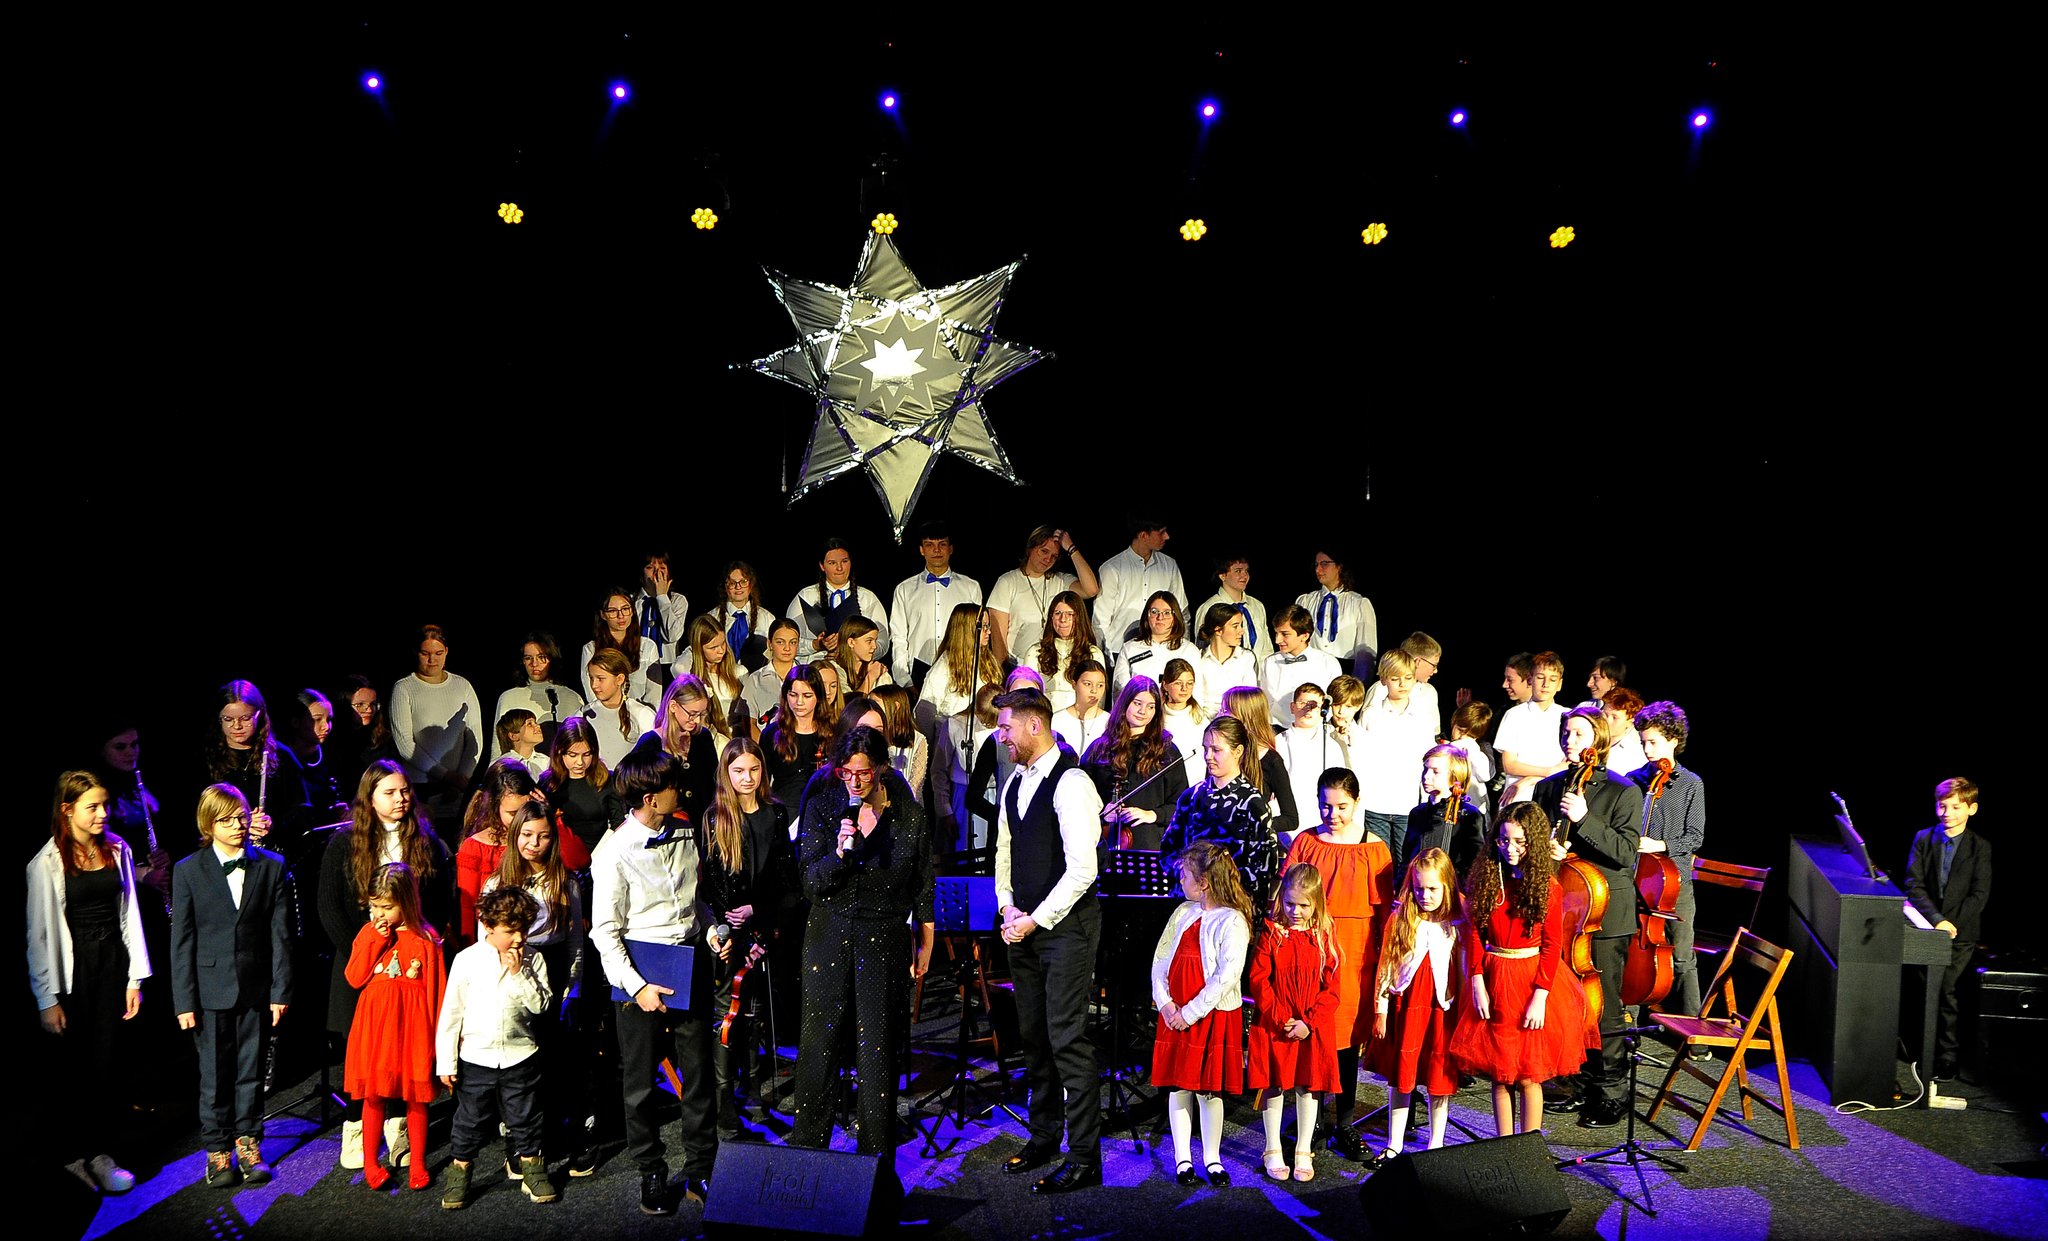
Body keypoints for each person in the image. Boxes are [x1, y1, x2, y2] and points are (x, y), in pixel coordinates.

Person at [790, 727, 936, 1154]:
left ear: (882, 769)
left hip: (884, 937)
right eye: (846, 773)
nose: (854, 782)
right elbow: (811, 883)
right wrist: (838, 854)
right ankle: (807, 1158)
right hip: (830, 933)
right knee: (819, 1048)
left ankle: (875, 1164)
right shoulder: (823, 808)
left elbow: (923, 883)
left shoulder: (909, 817)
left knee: (877, 1052)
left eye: (864, 773)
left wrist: (926, 940)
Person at [590, 748, 721, 1214]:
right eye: (671, 786)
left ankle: (702, 1168)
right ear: (649, 798)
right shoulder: (614, 851)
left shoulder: (684, 830)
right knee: (640, 1082)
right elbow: (604, 932)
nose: (679, 791)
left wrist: (711, 930)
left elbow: (694, 899)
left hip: (687, 960)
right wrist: (638, 986)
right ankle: (651, 1170)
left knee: (699, 1074)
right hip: (640, 969)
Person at [992, 688, 1106, 1193]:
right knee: (1034, 1037)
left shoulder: (1072, 782)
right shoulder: (1015, 780)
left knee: (1067, 1039)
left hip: (1066, 931)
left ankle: (1084, 1157)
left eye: (1006, 727)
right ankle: (1044, 1136)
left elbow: (1083, 870)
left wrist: (1034, 919)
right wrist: (1006, 907)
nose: (1000, 736)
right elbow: (1004, 852)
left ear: (1034, 725)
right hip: (1023, 927)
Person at [317, 761, 455, 1171]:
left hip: (410, 962)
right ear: (370, 798)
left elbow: (440, 900)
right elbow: (329, 907)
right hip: (362, 959)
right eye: (390, 793)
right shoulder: (345, 843)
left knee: (403, 1047)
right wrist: (366, 951)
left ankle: (398, 1128)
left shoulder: (426, 841)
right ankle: (356, 1126)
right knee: (362, 1050)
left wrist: (419, 939)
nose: (400, 799)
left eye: (404, 791)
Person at [29, 771, 151, 1195]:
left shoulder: (117, 848)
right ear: (68, 810)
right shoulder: (46, 863)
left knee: (107, 1062)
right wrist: (46, 999)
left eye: (105, 805)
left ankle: (100, 1154)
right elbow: (38, 936)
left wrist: (134, 978)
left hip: (112, 962)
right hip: (73, 970)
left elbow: (129, 914)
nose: (103, 814)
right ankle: (75, 1157)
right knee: (75, 1069)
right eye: (92, 807)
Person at [171, 783, 292, 1189]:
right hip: (209, 990)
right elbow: (182, 940)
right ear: (208, 826)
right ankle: (217, 1148)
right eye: (226, 821)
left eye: (241, 817)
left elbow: (280, 936)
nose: (238, 825)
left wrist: (280, 991)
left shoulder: (271, 866)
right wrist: (184, 1001)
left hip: (255, 986)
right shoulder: (189, 870)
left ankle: (248, 1142)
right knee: (214, 1074)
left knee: (251, 1070)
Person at [1450, 803, 1592, 1137]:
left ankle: (1529, 1145)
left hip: (1530, 982)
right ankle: (1504, 1144)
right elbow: (1475, 935)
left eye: (1519, 842)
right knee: (1500, 1074)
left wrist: (1540, 997)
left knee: (1529, 1075)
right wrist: (1476, 982)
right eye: (1503, 840)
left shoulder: (1547, 887)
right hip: (1494, 976)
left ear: (1534, 843)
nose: (1510, 848)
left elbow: (1552, 946)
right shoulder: (1487, 880)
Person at [1535, 707, 1643, 1129]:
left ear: (1597, 739)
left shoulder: (1622, 791)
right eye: (1566, 732)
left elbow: (1625, 853)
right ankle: (1577, 1081)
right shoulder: (1548, 787)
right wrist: (1546, 848)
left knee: (1606, 1006)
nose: (1570, 739)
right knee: (1568, 1003)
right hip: (1562, 910)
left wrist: (1584, 819)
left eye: (1578, 733)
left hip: (1604, 913)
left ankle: (1612, 1091)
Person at [1283, 768, 1395, 1160]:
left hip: (1355, 955)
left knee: (1346, 1043)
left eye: (1342, 806)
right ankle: (1309, 1121)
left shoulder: (1374, 849)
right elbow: (1287, 899)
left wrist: (1384, 966)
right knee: (1311, 1034)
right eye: (1326, 806)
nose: (1333, 814)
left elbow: (1385, 916)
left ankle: (1344, 1124)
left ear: (1357, 803)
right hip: (1310, 951)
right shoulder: (1306, 842)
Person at [435, 885, 556, 1208]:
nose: (518, 938)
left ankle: (532, 1170)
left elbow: (541, 1006)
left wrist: (519, 974)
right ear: (488, 926)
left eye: (523, 930)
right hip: (477, 1058)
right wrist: (446, 1062)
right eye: (510, 931)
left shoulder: (533, 959)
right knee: (469, 1119)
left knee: (526, 1117)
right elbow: (451, 1013)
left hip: (520, 1055)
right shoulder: (467, 960)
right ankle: (460, 1173)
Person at [700, 738, 797, 1141]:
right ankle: (725, 1101)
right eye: (738, 771)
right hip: (727, 934)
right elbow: (709, 883)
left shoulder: (776, 813)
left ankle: (755, 1089)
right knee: (727, 1018)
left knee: (755, 1015)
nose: (747, 778)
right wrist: (727, 924)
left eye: (754, 769)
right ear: (726, 773)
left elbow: (787, 880)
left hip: (762, 926)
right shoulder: (714, 818)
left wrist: (759, 913)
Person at [1151, 842, 1254, 1188]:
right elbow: (1161, 958)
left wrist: (1191, 1012)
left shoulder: (1232, 920)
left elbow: (1227, 975)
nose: (1180, 880)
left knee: (1209, 1090)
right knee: (1179, 1086)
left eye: (1185, 875)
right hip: (1175, 1013)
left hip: (1209, 1015)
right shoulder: (1183, 913)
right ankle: (1183, 1158)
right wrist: (1166, 1003)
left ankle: (1212, 1158)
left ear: (1204, 882)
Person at [343, 861, 446, 1191]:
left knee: (417, 1098)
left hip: (413, 1029)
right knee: (374, 1096)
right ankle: (371, 1163)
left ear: (407, 902)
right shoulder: (369, 933)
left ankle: (417, 1162)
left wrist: (438, 1043)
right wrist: (376, 939)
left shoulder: (426, 939)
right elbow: (354, 977)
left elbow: (437, 994)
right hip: (375, 1030)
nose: (380, 914)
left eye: (387, 907)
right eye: (374, 906)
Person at [1363, 848, 1467, 1167]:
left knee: (1438, 1077)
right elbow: (1386, 965)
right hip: (1407, 1005)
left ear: (1447, 885)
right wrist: (1380, 1009)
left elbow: (1464, 970)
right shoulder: (1401, 918)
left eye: (1433, 888)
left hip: (1441, 1009)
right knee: (1402, 1076)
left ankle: (1435, 1144)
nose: (1425, 895)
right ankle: (1394, 1144)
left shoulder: (1458, 922)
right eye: (1419, 888)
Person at [1247, 862, 1341, 1183]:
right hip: (1277, 1023)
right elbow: (1259, 980)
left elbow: (1333, 989)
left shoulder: (1324, 936)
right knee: (1273, 1082)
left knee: (1307, 1085)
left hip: (1310, 1026)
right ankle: (1272, 1147)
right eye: (1289, 903)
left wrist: (1308, 1023)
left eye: (1303, 905)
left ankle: (1303, 1148)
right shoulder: (1272, 933)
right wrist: (1281, 1018)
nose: (1295, 911)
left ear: (1316, 903)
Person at [1905, 776, 1992, 1082]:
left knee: (1945, 990)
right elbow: (1914, 884)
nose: (1947, 813)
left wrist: (1951, 924)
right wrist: (1936, 920)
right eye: (1942, 806)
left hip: (1961, 934)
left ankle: (1947, 1055)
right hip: (1928, 927)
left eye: (1955, 807)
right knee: (1922, 988)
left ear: (1971, 809)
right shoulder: (1923, 838)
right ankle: (1921, 1048)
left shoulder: (1980, 847)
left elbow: (1979, 894)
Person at [1629, 702, 1706, 1022]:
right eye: (1643, 742)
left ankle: (1694, 1034)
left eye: (1653, 742)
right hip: (1637, 881)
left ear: (1673, 741)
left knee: (1683, 956)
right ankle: (1629, 1019)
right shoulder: (1634, 780)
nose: (1647, 750)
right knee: (1632, 949)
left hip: (1676, 883)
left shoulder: (1691, 784)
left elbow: (1695, 837)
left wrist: (1660, 845)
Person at [1160, 716, 1282, 912]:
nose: (1208, 756)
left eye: (1216, 750)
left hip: (1232, 909)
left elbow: (1264, 866)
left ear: (1238, 751)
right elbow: (1168, 850)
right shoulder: (1191, 797)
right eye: (1205, 749)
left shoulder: (1253, 804)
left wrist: (1220, 890)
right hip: (1189, 905)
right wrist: (1187, 876)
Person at [1082, 674, 1189, 852]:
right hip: (1103, 846)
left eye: (1150, 706)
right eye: (1137, 703)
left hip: (1150, 845)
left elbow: (1182, 803)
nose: (1143, 711)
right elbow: (1082, 798)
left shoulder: (1166, 751)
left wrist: (1153, 815)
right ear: (1125, 704)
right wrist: (1102, 812)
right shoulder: (1100, 749)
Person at [207, 680, 313, 858]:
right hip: (219, 855)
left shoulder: (281, 756)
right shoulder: (207, 758)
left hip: (270, 854)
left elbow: (304, 810)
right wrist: (238, 824)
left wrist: (272, 823)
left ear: (260, 714)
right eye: (228, 719)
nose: (237, 726)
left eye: (245, 718)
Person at [390, 625, 485, 822]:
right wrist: (446, 776)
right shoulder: (404, 688)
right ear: (416, 653)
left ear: (446, 652)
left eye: (438, 653)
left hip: (459, 786)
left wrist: (461, 778)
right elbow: (405, 745)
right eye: (425, 654)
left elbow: (475, 737)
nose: (432, 660)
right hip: (421, 784)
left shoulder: (462, 686)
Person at [1353, 651, 1441, 860]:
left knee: (1407, 863)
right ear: (1384, 680)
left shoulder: (1422, 718)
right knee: (1378, 861)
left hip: (1408, 805)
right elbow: (1360, 756)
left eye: (1408, 678)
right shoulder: (1371, 714)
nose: (1402, 684)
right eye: (1395, 679)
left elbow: (1428, 760)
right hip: (1375, 802)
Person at [455, 760, 542, 949]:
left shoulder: (538, 840)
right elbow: (468, 907)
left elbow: (578, 861)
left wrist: (548, 815)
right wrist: (470, 950)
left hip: (536, 937)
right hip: (495, 942)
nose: (520, 819)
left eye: (524, 811)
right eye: (512, 813)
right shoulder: (476, 847)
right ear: (495, 806)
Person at [986, 525, 1099, 666]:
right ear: (1030, 548)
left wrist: (1071, 548)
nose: (1048, 559)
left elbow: (1091, 590)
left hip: (1054, 666)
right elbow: (998, 637)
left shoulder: (1060, 580)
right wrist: (1003, 669)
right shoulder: (1008, 582)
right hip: (1019, 666)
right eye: (1044, 551)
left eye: (1054, 556)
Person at [890, 521, 984, 689]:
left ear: (951, 549)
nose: (937, 550)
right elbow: (899, 637)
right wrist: (904, 679)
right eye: (929, 545)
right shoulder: (905, 589)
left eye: (942, 544)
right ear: (921, 550)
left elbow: (977, 634)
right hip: (917, 674)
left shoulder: (970, 587)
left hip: (959, 671)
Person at [1220, 685, 1301, 845]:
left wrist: (1255, 825)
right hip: (1221, 844)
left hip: (1254, 847)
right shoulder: (1219, 753)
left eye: (1226, 710)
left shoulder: (1271, 761)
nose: (1220, 715)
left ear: (1245, 715)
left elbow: (1291, 819)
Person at [787, 539, 889, 664]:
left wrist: (850, 652)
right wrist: (816, 645)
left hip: (855, 671)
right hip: (813, 670)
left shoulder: (868, 599)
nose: (839, 568)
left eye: (844, 561)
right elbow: (786, 642)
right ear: (822, 566)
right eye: (832, 563)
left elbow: (883, 643)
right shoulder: (806, 596)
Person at [643, 674, 723, 829]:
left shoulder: (703, 737)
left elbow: (713, 783)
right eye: (692, 714)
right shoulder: (650, 743)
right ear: (673, 706)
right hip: (668, 829)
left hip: (702, 826)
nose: (697, 720)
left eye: (701, 714)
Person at [1093, 518, 1185, 648]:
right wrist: (1106, 656)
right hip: (1119, 649)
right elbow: (1100, 620)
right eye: (1161, 532)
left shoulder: (1169, 565)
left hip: (1162, 649)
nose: (1167, 536)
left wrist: (1180, 647)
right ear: (1143, 535)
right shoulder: (1112, 568)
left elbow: (1181, 611)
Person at [492, 632, 585, 758]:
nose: (534, 664)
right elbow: (498, 747)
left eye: (541, 657)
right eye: (528, 658)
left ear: (552, 658)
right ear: (522, 661)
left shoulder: (572, 698)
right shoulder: (509, 698)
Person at [1496, 651, 1571, 804]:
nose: (1546, 684)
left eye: (1552, 679)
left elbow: (1567, 765)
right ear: (1530, 680)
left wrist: (1530, 779)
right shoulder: (1514, 714)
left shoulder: (1568, 715)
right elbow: (1509, 765)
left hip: (1553, 794)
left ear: (1560, 684)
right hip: (1518, 795)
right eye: (1540, 677)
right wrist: (1549, 771)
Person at [542, 717, 615, 870]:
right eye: (573, 755)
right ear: (560, 751)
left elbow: (619, 823)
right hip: (561, 864)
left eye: (587, 755)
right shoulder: (548, 783)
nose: (580, 762)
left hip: (601, 860)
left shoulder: (606, 779)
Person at [1405, 744, 1487, 877]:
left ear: (1455, 777)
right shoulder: (1417, 813)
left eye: (1435, 772)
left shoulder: (1469, 815)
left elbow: (1473, 864)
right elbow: (1407, 858)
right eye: (1425, 769)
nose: (1426, 776)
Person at [761, 665, 832, 815]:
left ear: (818, 697)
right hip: (784, 811)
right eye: (793, 695)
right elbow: (763, 781)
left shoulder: (832, 733)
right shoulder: (771, 734)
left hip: (822, 809)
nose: (799, 702)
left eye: (807, 696)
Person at [1295, 549, 1377, 675]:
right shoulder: (1305, 601)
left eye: (1324, 564)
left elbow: (1365, 652)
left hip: (1344, 674)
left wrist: (1360, 682)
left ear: (1339, 567)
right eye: (1316, 565)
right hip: (1309, 671)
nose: (1318, 570)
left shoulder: (1359, 604)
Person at [581, 590, 664, 711]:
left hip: (640, 715)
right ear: (603, 615)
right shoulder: (591, 649)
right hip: (605, 714)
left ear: (632, 611)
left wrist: (646, 715)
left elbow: (654, 692)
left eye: (625, 609)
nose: (621, 616)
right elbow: (591, 692)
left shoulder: (648, 646)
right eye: (613, 611)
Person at [1261, 605, 1342, 726]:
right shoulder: (1269, 663)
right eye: (1276, 633)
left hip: (1317, 729)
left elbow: (1334, 702)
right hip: (1276, 729)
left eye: (1285, 634)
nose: (1277, 640)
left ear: (1304, 636)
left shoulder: (1328, 663)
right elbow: (1264, 703)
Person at [1027, 591, 1106, 712]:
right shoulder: (1035, 652)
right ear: (1051, 617)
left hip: (1081, 718)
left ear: (1079, 618)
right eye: (1058, 613)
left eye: (1070, 614)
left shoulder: (1093, 654)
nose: (1063, 619)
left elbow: (1099, 700)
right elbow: (1027, 697)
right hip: (1044, 717)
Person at [582, 648, 658, 770]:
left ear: (619, 679)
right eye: (591, 678)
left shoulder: (642, 714)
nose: (594, 685)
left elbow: (652, 758)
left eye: (600, 679)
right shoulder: (583, 714)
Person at [1112, 590, 1201, 692]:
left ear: (1175, 617)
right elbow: (1120, 691)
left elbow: (1197, 691)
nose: (1160, 617)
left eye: (1167, 613)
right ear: (1147, 615)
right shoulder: (1129, 649)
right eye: (1154, 612)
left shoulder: (1189, 650)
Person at [1193, 552, 1271, 667]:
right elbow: (1202, 648)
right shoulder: (1209, 607)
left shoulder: (1256, 606)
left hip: (1257, 673)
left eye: (1246, 571)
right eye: (1238, 571)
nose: (1244, 576)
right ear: (1222, 576)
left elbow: (1266, 647)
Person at [685, 615, 749, 737]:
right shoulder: (692, 678)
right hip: (708, 738)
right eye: (713, 647)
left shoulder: (739, 673)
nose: (721, 650)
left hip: (736, 737)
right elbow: (676, 667)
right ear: (699, 649)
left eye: (723, 643)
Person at [290, 688, 348, 820]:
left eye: (329, 719)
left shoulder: (333, 755)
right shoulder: (283, 759)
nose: (326, 727)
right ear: (296, 722)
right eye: (317, 719)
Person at [1190, 603, 1255, 718]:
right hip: (1204, 722)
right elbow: (1196, 700)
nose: (1241, 631)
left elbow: (1248, 700)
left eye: (1241, 625)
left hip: (1236, 721)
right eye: (1235, 626)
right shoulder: (1198, 659)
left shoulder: (1246, 658)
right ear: (1218, 630)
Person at [631, 549, 691, 671]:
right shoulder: (631, 601)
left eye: (662, 568)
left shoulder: (677, 600)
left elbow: (672, 636)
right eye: (650, 567)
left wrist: (662, 597)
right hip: (635, 664)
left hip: (666, 666)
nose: (657, 572)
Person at [872, 684, 930, 805]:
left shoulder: (918, 740)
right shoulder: (870, 736)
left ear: (896, 707)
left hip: (905, 806)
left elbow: (915, 787)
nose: (872, 711)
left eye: (876, 706)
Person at [1157, 658, 1207, 791]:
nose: (1184, 688)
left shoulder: (1200, 718)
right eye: (1178, 683)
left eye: (1189, 683)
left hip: (1195, 787)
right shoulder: (1156, 718)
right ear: (1165, 685)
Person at [744, 617, 804, 722]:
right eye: (780, 642)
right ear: (770, 644)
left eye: (793, 642)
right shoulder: (755, 679)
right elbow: (749, 722)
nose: (787, 648)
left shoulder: (807, 677)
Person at [1050, 659, 1112, 759]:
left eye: (1100, 685)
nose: (1094, 690)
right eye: (1087, 684)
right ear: (1074, 684)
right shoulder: (1056, 720)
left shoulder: (1110, 722)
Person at [1450, 701, 1500, 815]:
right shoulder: (1445, 747)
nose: (1462, 737)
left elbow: (1485, 775)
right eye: (1460, 730)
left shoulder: (1482, 749)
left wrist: (1469, 745)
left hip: (1474, 809)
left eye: (1471, 736)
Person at [828, 615, 893, 697]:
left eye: (875, 640)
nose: (875, 646)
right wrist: (871, 676)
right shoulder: (833, 669)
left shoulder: (879, 671)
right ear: (851, 642)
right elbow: (850, 703)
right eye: (869, 641)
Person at [343, 675, 394, 768]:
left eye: (372, 704)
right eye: (360, 704)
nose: (370, 710)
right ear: (345, 705)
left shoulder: (383, 739)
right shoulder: (335, 742)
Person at [497, 709, 550, 780]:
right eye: (529, 724)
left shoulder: (546, 762)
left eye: (535, 722)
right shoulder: (500, 765)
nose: (538, 726)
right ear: (514, 736)